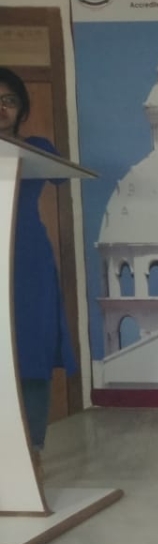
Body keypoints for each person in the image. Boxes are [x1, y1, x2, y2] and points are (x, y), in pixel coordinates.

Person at [0, 66, 78, 464]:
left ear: (22, 109)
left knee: (30, 349)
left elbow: (62, 179)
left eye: (9, 100)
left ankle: (33, 454)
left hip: (27, 262)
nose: (1, 108)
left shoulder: (36, 147)